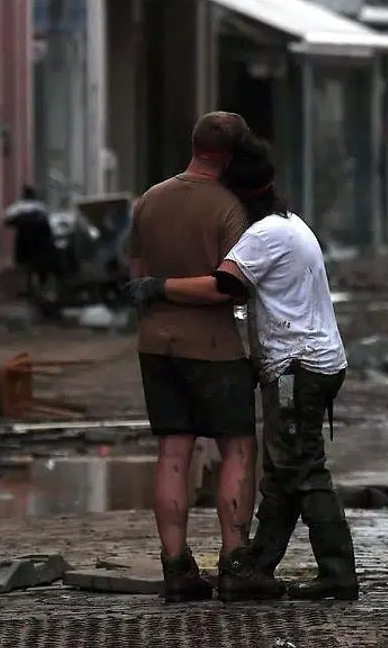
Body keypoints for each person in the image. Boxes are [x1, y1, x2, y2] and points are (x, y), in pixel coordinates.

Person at [128, 136, 359, 601]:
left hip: (298, 367)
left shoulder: (264, 236)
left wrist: (159, 287)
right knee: (283, 470)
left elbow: (222, 287)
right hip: (304, 363)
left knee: (304, 468)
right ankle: (253, 566)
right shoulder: (287, 224)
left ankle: (338, 572)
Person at [126, 112, 277, 603]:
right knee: (237, 447)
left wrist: (162, 292)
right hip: (213, 348)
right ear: (232, 156)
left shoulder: (149, 199)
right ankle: (235, 562)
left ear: (195, 146)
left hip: (156, 343)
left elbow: (137, 273)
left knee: (173, 451)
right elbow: (230, 285)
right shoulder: (230, 207)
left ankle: (176, 567)